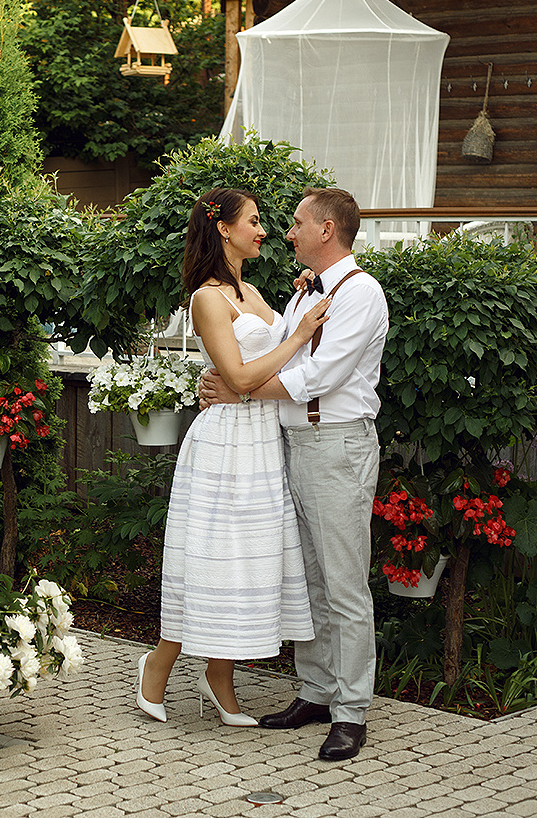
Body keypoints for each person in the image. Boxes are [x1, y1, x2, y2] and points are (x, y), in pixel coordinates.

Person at [199, 186, 389, 760]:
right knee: (308, 579)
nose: (288, 232)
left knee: (345, 585)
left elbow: (320, 376)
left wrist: (236, 395)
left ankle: (352, 713)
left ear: (327, 230)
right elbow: (279, 354)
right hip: (291, 442)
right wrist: (243, 385)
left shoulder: (361, 294)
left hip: (336, 448)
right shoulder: (308, 293)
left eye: (299, 223)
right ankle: (317, 691)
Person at [136, 188, 330, 728]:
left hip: (263, 440)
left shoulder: (255, 291)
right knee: (206, 558)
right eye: (255, 221)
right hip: (224, 445)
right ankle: (158, 665)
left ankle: (219, 677)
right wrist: (300, 337)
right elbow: (243, 376)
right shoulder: (206, 298)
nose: (264, 230)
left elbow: (265, 356)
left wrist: (302, 301)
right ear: (224, 229)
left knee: (245, 561)